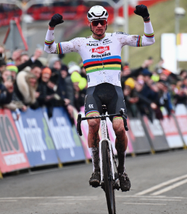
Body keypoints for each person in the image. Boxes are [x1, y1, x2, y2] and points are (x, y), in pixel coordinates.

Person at [43, 4, 155, 192]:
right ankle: (96, 169)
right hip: (94, 92)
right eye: (95, 23)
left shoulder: (117, 38)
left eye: (102, 22)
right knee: (93, 123)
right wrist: (51, 28)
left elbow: (149, 41)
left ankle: (122, 171)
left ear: (106, 22)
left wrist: (146, 19)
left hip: (114, 92)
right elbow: (49, 49)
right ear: (90, 23)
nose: (99, 26)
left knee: (119, 127)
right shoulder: (81, 43)